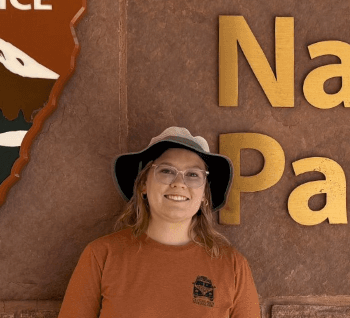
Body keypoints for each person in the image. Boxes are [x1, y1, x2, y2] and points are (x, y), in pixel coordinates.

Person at [57, 127, 260, 317]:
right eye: (166, 171)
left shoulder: (233, 266)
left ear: (205, 194)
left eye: (193, 175)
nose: (179, 183)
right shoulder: (101, 255)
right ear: (144, 184)